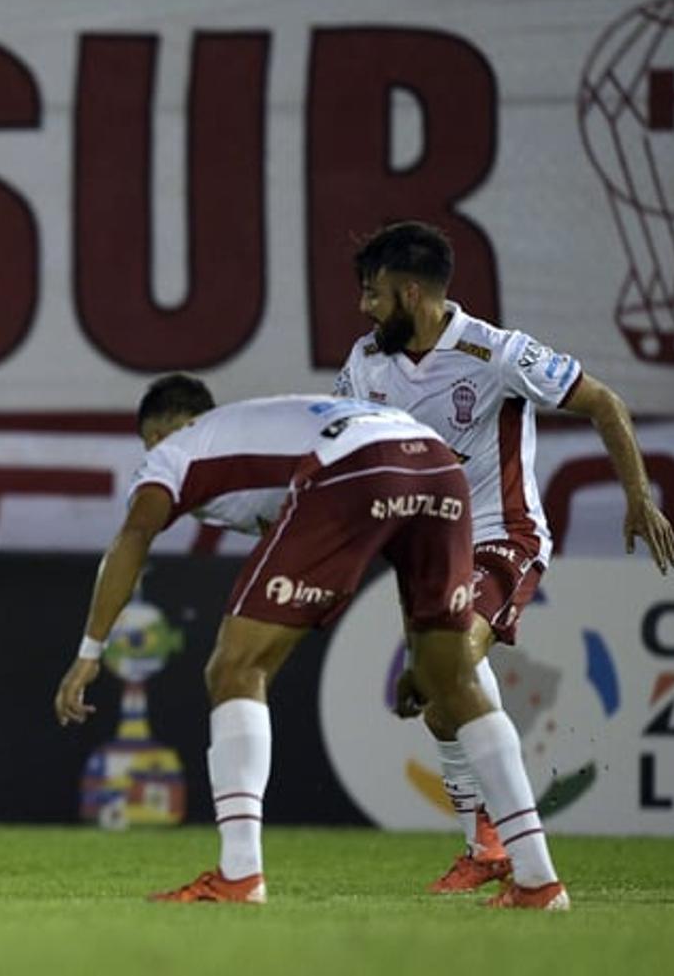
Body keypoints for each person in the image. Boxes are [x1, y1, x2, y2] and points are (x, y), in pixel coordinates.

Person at [53, 376, 569, 910]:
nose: (149, 459)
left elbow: (134, 535)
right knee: (454, 679)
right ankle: (538, 878)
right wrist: (422, 649)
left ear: (162, 432)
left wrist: (89, 653)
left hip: (356, 465)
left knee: (236, 668)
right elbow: (391, 533)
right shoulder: (262, 428)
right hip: (437, 464)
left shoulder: (175, 449)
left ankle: (239, 874)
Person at [334, 221, 674, 892]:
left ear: (411, 293)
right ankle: (486, 847)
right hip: (428, 552)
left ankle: (521, 860)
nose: (364, 308)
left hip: (502, 537)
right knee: (442, 706)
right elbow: (350, 455)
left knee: (450, 672)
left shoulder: (497, 353)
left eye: (374, 294)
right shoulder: (364, 365)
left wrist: (638, 497)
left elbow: (604, 402)